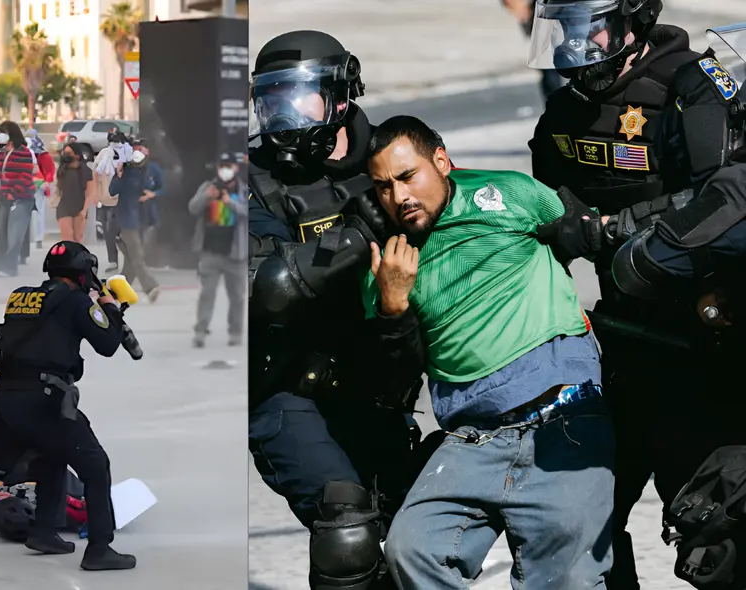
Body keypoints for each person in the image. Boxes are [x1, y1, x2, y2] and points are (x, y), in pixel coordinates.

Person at [525, 2, 746, 587]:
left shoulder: (694, 87)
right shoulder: (565, 108)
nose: (578, 43)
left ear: (634, 18)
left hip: (700, 337)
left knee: (715, 532)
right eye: (566, 27)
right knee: (571, 527)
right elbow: (545, 206)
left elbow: (718, 202)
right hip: (613, 336)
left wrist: (618, 228)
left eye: (590, 25)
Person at [358, 116, 611, 589]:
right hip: (472, 438)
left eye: (407, 176)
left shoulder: (510, 192)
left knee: (568, 580)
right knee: (413, 548)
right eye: (383, 187)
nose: (399, 197)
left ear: (441, 160)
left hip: (562, 419)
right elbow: (392, 378)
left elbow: (593, 235)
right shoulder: (388, 263)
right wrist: (393, 308)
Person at [248, 31, 420, 590]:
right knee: (345, 529)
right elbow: (267, 287)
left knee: (411, 535)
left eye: (298, 96)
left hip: (378, 380)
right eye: (270, 99)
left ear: (341, 95)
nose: (283, 113)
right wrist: (358, 233)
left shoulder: (395, 159)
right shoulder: (248, 178)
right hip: (288, 385)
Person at [0, 240, 135, 570]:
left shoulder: (21, 295)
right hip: (45, 399)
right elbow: (107, 344)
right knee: (95, 466)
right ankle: (100, 548)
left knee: (52, 455)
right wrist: (110, 307)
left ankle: (44, 531)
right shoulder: (75, 302)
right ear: (84, 274)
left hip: (8, 398)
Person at [188, 153, 247, 348]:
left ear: (236, 168)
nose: (225, 170)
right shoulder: (208, 187)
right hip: (210, 252)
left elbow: (248, 213)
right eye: (222, 166)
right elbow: (192, 208)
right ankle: (200, 332)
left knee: (237, 296)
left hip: (235, 254)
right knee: (207, 294)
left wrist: (229, 201)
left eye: (228, 166)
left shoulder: (243, 189)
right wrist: (207, 197)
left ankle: (236, 332)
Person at [0, 120, 36, 278]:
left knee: (15, 234)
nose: (0, 135)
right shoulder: (2, 152)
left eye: (3, 132)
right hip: (4, 198)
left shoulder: (23, 151)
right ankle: (3, 264)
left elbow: (26, 175)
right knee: (2, 233)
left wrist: (14, 192)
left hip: (21, 199)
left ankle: (10, 267)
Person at [108, 147, 162, 302]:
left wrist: (153, 194)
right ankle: (150, 287)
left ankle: (119, 290)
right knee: (136, 256)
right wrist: (118, 175)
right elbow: (112, 190)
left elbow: (158, 187)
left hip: (143, 219)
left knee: (131, 259)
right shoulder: (126, 173)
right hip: (127, 221)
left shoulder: (148, 172)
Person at [53, 143, 95, 243]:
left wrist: (84, 211)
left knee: (77, 238)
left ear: (77, 155)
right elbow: (59, 189)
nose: (66, 155)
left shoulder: (86, 171)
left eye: (69, 153)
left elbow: (89, 193)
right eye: (65, 153)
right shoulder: (62, 170)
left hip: (79, 207)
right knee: (67, 238)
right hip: (64, 206)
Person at [93, 137, 123, 270]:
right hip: (105, 200)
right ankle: (113, 260)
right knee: (107, 232)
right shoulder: (103, 155)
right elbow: (95, 174)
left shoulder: (125, 155)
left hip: (120, 201)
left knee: (117, 232)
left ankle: (129, 260)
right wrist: (96, 194)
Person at [27, 128, 56, 249]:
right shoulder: (23, 153)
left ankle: (38, 239)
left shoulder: (44, 155)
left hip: (39, 188)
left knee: (39, 213)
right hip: (24, 187)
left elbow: (50, 171)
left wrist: (46, 182)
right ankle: (27, 239)